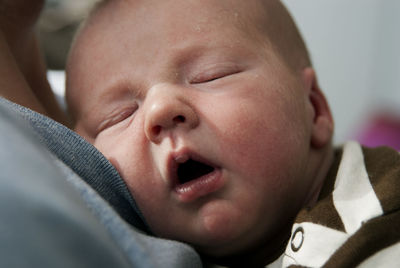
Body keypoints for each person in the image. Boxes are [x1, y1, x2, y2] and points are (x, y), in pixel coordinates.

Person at [2, 0, 400, 267]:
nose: (160, 109)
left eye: (211, 76)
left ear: (313, 106)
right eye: (119, 116)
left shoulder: (382, 199)